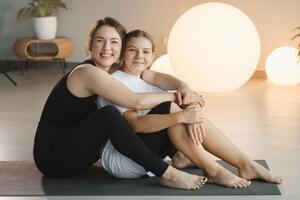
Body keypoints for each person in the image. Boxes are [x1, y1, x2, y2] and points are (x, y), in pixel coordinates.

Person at [33, 17, 207, 190]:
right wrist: (178, 97)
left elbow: (152, 76)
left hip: (77, 151)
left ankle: (179, 155)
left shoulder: (110, 71)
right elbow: (135, 101)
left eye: (114, 42)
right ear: (89, 46)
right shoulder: (87, 72)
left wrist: (183, 86)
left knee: (156, 110)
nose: (107, 48)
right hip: (53, 158)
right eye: (100, 40)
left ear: (121, 49)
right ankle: (166, 173)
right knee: (109, 115)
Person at [97, 29, 283, 188]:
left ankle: (245, 163)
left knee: (181, 106)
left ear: (153, 56)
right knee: (172, 108)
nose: (139, 56)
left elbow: (181, 92)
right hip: (125, 160)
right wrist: (183, 116)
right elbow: (137, 126)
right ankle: (213, 169)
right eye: (132, 50)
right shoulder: (116, 81)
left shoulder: (147, 80)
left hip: (148, 153)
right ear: (123, 54)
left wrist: (190, 106)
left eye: (145, 51)